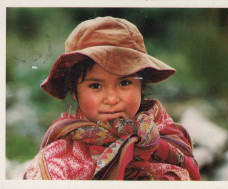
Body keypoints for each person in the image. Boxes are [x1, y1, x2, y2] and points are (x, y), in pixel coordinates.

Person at [23, 16, 201, 180]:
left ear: (142, 86)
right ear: (75, 92)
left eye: (124, 83)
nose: (112, 98)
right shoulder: (59, 158)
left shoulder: (167, 136)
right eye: (95, 86)